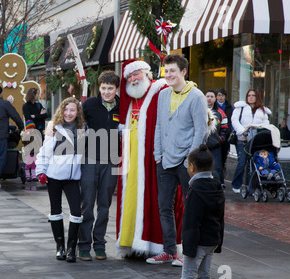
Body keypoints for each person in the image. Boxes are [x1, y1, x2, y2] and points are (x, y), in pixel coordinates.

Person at [116, 59, 185, 259]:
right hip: (131, 161)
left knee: (159, 201)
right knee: (131, 198)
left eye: (136, 74)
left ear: (147, 73)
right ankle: (132, 243)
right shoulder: (129, 99)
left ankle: (159, 246)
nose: (132, 79)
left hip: (155, 159)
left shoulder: (160, 91)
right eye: (129, 76)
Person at [150, 53, 208, 265]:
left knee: (190, 207)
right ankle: (169, 251)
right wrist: (157, 155)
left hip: (186, 162)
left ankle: (188, 254)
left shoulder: (196, 97)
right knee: (164, 207)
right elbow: (158, 126)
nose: (169, 75)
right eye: (166, 71)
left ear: (184, 72)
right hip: (164, 161)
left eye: (173, 71)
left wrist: (190, 161)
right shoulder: (163, 95)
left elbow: (200, 131)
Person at [35, 97, 86, 263]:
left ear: (77, 112)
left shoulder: (83, 129)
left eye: (72, 110)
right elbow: (45, 151)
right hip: (54, 176)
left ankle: (72, 247)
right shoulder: (54, 128)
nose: (68, 113)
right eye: (66, 110)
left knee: (76, 213)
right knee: (55, 211)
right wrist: (41, 170)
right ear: (61, 111)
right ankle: (60, 247)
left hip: (72, 178)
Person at [78, 70, 120, 261]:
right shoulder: (89, 105)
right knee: (87, 204)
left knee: (104, 205)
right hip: (90, 160)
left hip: (112, 161)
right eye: (103, 88)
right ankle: (84, 246)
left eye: (110, 88)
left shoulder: (122, 107)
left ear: (116, 89)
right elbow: (74, 121)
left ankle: (100, 245)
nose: (106, 92)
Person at [180, 144, 224, 279]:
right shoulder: (217, 186)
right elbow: (221, 217)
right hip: (211, 240)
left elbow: (191, 222)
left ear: (191, 166)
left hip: (196, 242)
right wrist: (219, 241)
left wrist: (188, 248)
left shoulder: (195, 190)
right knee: (204, 278)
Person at [230, 89, 271, 193]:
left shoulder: (262, 110)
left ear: (257, 97)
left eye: (253, 95)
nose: (251, 97)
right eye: (249, 95)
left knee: (254, 165)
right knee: (242, 163)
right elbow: (234, 120)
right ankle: (236, 185)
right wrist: (242, 131)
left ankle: (252, 187)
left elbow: (266, 124)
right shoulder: (241, 108)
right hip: (242, 140)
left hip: (256, 142)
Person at [205, 90, 230, 187]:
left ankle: (217, 187)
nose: (209, 98)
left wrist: (220, 139)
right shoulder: (200, 110)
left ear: (215, 99)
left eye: (212, 96)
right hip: (201, 144)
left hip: (215, 145)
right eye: (207, 96)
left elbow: (225, 128)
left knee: (216, 168)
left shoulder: (221, 112)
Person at [215, 88, 234, 167]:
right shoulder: (214, 107)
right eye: (219, 95)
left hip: (226, 133)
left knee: (224, 153)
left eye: (222, 95)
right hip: (216, 133)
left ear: (225, 97)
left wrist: (231, 131)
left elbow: (232, 119)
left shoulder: (229, 107)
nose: (220, 97)